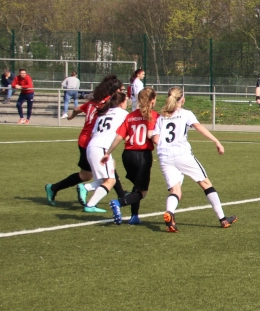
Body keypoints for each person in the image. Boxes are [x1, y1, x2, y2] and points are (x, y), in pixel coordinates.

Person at [151, 87, 236, 232]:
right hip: (182, 154)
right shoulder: (185, 114)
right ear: (182, 99)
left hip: (164, 156)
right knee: (206, 184)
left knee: (175, 190)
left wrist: (167, 147)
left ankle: (170, 214)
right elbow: (199, 127)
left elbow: (155, 138)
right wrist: (216, 141)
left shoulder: (161, 117)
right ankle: (223, 219)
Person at [47, 75, 124, 206]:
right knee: (106, 168)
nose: (122, 92)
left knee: (87, 174)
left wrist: (71, 116)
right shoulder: (106, 104)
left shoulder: (95, 101)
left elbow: (77, 109)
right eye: (121, 90)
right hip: (92, 140)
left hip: (86, 139)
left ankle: (54, 188)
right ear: (114, 90)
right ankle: (120, 195)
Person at [99, 87, 159, 225]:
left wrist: (108, 153)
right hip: (142, 156)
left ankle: (134, 216)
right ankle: (119, 203)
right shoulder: (154, 116)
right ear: (152, 100)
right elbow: (151, 135)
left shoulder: (130, 116)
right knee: (142, 191)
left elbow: (119, 136)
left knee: (137, 186)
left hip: (127, 155)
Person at [82, 91, 131, 222]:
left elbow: (93, 134)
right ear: (122, 103)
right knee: (110, 181)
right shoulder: (123, 113)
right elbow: (127, 130)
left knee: (105, 178)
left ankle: (86, 188)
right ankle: (90, 205)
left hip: (92, 146)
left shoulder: (103, 113)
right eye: (126, 101)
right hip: (101, 148)